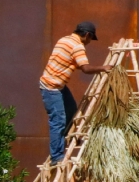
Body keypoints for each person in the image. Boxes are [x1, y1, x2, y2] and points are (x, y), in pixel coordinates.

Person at [40, 20, 103, 164]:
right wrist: (103, 67)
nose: (89, 42)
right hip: (52, 87)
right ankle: (57, 156)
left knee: (71, 110)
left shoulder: (64, 40)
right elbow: (86, 69)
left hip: (57, 84)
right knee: (58, 121)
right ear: (87, 35)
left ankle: (69, 137)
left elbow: (77, 64)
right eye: (90, 39)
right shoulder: (77, 46)